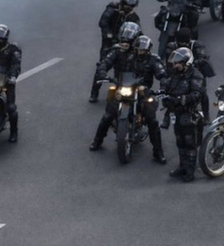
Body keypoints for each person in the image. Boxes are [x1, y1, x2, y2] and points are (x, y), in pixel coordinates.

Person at [90, 22, 167, 162]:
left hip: (142, 90)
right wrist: (102, 73)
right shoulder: (118, 52)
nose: (125, 44)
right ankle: (97, 141)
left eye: (128, 41)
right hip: (121, 86)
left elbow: (161, 73)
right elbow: (105, 62)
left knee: (152, 120)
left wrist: (163, 85)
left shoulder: (149, 57)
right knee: (108, 115)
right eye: (123, 40)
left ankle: (158, 152)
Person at [162, 47, 204, 182]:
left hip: (189, 112)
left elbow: (197, 94)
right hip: (177, 111)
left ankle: (190, 171)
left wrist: (182, 99)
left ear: (186, 63)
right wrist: (161, 93)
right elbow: (167, 85)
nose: (175, 65)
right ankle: (182, 166)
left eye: (178, 63)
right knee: (180, 140)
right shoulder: (175, 74)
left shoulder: (196, 75)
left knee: (189, 141)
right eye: (174, 63)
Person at [90, 0, 141, 102]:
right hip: (109, 42)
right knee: (102, 65)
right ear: (122, 3)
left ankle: (130, 90)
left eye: (132, 6)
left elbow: (138, 30)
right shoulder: (112, 9)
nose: (130, 8)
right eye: (128, 5)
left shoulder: (133, 17)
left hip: (126, 43)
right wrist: (109, 34)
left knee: (128, 65)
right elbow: (103, 22)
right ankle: (94, 93)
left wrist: (140, 41)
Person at [165, 28, 214, 121]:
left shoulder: (198, 45)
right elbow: (168, 63)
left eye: (185, 43)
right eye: (180, 43)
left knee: (202, 93)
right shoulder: (171, 47)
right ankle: (167, 115)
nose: (182, 45)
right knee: (169, 92)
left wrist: (191, 64)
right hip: (178, 72)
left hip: (196, 71)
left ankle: (206, 115)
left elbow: (202, 58)